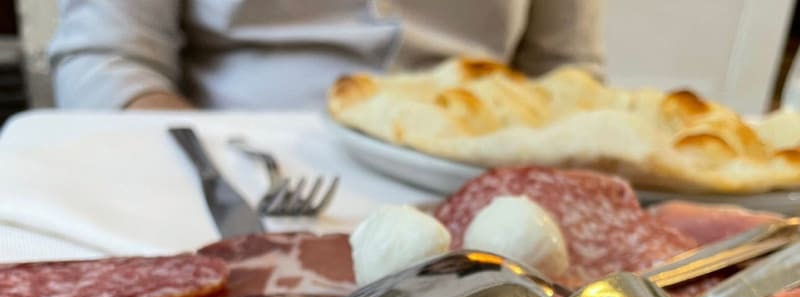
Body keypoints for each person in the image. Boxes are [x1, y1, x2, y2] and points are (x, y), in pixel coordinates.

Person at [48, 1, 605, 111]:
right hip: (235, 167)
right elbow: (105, 59)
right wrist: (207, 167)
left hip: (474, 166)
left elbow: (566, 72)